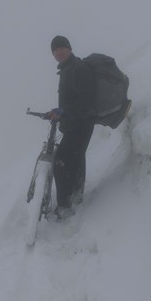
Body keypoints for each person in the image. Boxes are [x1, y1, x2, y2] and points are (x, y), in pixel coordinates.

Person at [45, 35, 95, 219]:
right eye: (54, 50)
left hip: (81, 124)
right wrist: (58, 111)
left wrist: (63, 111)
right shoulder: (68, 69)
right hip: (77, 123)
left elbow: (86, 100)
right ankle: (77, 196)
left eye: (61, 48)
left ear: (69, 48)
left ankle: (65, 206)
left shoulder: (77, 68)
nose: (58, 52)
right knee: (75, 159)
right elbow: (72, 100)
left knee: (60, 162)